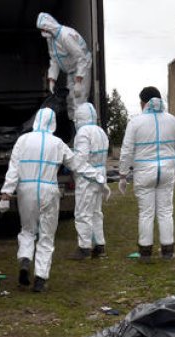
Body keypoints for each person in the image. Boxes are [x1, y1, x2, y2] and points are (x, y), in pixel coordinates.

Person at [0, 108, 107, 292]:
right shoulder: (57, 143)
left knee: (27, 230)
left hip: (26, 189)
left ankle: (25, 260)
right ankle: (40, 278)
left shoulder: (22, 140)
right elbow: (77, 164)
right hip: (49, 189)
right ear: (53, 123)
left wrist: (6, 193)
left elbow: (14, 168)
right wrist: (97, 176)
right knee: (46, 236)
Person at [119, 86, 175, 262]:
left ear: (144, 102)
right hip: (166, 172)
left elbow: (127, 150)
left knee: (146, 213)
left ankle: (145, 252)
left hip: (144, 173)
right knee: (165, 211)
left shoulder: (135, 122)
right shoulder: (173, 121)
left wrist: (122, 174)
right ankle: (168, 251)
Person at [68, 102, 110, 259]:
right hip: (100, 174)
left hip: (87, 177)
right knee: (96, 212)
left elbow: (81, 158)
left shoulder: (83, 133)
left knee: (83, 212)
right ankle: (99, 245)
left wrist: (70, 159)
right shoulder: (100, 131)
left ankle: (84, 247)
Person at [37, 12, 92, 124]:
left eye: (44, 29)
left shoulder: (65, 36)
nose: (43, 33)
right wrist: (52, 79)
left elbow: (81, 58)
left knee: (79, 101)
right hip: (71, 71)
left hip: (81, 69)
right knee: (70, 101)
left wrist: (78, 81)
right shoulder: (50, 39)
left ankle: (84, 132)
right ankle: (75, 130)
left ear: (49, 27)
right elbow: (54, 59)